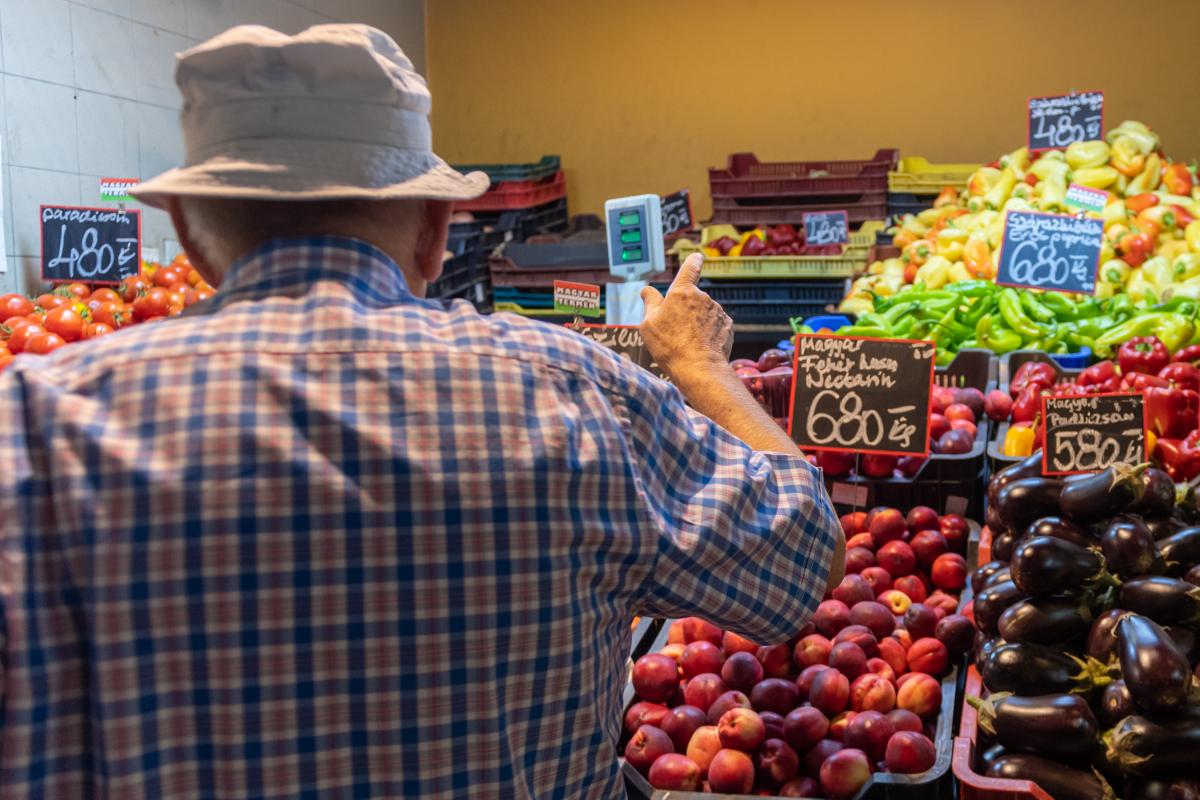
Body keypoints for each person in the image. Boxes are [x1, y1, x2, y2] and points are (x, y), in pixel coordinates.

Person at [0, 24, 843, 799]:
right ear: (438, 227)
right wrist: (701, 367)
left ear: (186, 231)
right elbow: (801, 562)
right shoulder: (577, 392)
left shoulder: (31, 431)